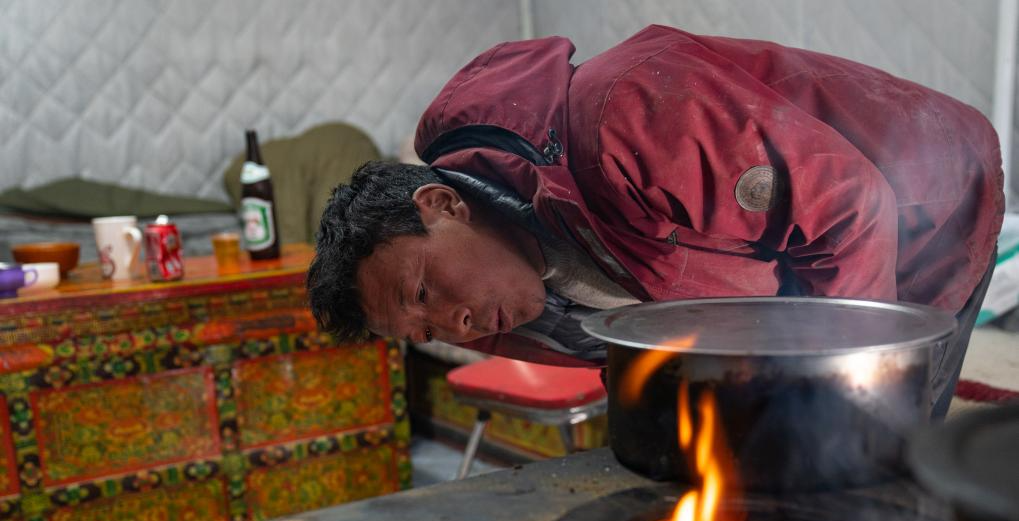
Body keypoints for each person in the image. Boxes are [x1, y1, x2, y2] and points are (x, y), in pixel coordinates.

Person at [307, 25, 1004, 418]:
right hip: (782, 284)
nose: (451, 326)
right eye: (424, 332)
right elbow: (642, 351)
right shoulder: (504, 306)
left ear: (442, 205)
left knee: (894, 463)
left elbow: (851, 210)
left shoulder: (624, 117)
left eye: (422, 292)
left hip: (925, 212)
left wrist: (841, 390)